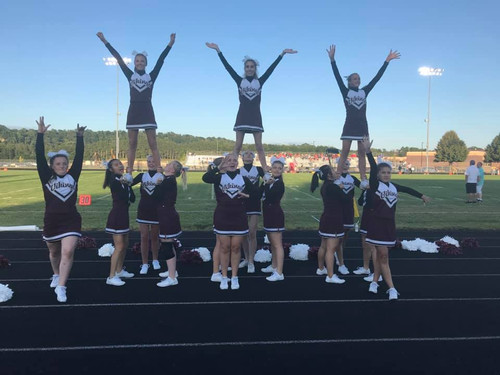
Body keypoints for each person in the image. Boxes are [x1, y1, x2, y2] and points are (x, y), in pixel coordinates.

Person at [205, 42, 297, 170]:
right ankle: (232, 166)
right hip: (242, 115)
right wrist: (218, 51)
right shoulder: (239, 81)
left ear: (255, 68)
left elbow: (271, 69)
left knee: (259, 146)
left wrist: (282, 54)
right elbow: (228, 68)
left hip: (255, 116)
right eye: (247, 66)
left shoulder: (259, 82)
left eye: (252, 66)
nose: (249, 68)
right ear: (244, 68)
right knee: (238, 145)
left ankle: (265, 168)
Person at [96, 31, 176, 178]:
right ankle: (129, 172)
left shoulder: (151, 76)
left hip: (147, 110)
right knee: (132, 143)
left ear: (146, 63)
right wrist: (104, 41)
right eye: (137, 61)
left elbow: (161, 60)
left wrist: (170, 44)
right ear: (134, 63)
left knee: (153, 143)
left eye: (142, 61)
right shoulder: (130, 75)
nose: (139, 62)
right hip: (133, 110)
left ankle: (159, 171)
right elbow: (118, 58)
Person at [360, 137, 430, 300]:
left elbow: (406, 189)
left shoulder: (393, 186)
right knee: (383, 256)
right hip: (376, 224)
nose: (386, 175)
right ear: (378, 175)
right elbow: (372, 168)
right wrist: (368, 152)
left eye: (388, 172)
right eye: (383, 172)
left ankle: (375, 282)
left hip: (389, 225)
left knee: (380, 256)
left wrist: (421, 196)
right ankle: (391, 288)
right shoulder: (376, 185)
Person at [326, 44, 400, 186]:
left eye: (358, 78)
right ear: (349, 81)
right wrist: (332, 60)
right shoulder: (345, 91)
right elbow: (336, 76)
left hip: (362, 125)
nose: (357, 80)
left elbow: (376, 79)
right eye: (354, 79)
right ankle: (339, 176)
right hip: (349, 125)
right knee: (345, 151)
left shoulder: (364, 91)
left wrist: (387, 61)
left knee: (362, 153)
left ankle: (363, 178)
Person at [35, 117, 86, 303]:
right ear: (52, 166)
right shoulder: (46, 177)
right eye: (58, 164)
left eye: (65, 164)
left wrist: (79, 137)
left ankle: (62, 286)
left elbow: (79, 157)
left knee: (68, 251)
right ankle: (56, 274)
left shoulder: (73, 175)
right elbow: (39, 156)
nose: (63, 166)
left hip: (71, 219)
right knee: (54, 253)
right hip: (51, 221)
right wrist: (40, 135)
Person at [202, 153, 256, 290]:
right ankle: (224, 277)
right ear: (225, 163)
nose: (231, 162)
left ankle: (235, 277)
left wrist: (247, 195)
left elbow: (256, 193)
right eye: (229, 160)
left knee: (236, 248)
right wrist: (218, 167)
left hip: (239, 217)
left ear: (237, 164)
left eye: (234, 161)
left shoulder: (243, 178)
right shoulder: (219, 177)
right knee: (224, 248)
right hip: (222, 217)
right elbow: (205, 178)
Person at [311, 165, 348, 284]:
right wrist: (341, 187)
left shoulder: (326, 186)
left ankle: (321, 268)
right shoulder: (333, 187)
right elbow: (346, 200)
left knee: (323, 246)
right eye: (333, 170)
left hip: (326, 218)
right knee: (331, 249)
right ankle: (330, 275)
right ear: (328, 175)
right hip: (334, 220)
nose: (335, 171)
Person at [153, 161, 187, 287]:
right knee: (169, 243)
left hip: (167, 215)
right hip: (166, 214)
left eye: (169, 165)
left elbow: (156, 196)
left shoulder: (168, 181)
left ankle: (172, 277)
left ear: (173, 170)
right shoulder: (168, 180)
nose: (166, 165)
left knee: (166, 245)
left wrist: (157, 183)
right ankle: (172, 271)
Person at [103, 159, 136, 286]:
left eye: (120, 164)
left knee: (125, 244)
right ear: (111, 170)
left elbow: (132, 199)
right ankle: (111, 276)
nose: (121, 166)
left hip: (124, 215)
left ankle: (119, 270)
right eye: (116, 165)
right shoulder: (114, 181)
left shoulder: (123, 181)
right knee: (119, 246)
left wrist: (128, 183)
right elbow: (118, 189)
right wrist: (125, 180)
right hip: (116, 216)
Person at [132, 155, 162, 274]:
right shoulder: (142, 176)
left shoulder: (162, 176)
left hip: (156, 210)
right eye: (148, 161)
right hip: (143, 209)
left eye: (153, 161)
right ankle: (144, 263)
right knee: (144, 237)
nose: (151, 163)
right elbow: (128, 184)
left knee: (155, 237)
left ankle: (155, 260)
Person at [260, 156, 286, 281]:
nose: (276, 170)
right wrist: (265, 182)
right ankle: (274, 266)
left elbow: (270, 197)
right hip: (268, 214)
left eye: (279, 168)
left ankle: (279, 273)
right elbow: (259, 193)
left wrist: (266, 184)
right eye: (274, 168)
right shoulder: (270, 180)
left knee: (277, 244)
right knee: (272, 243)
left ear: (282, 170)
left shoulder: (279, 183)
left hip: (275, 215)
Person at [238, 150, 265, 273]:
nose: (248, 155)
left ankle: (251, 260)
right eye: (245, 154)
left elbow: (266, 182)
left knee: (252, 232)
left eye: (250, 154)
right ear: (242, 158)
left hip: (254, 202)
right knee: (244, 233)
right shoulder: (239, 171)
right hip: (242, 203)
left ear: (254, 158)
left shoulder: (258, 170)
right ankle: (246, 257)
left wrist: (259, 193)